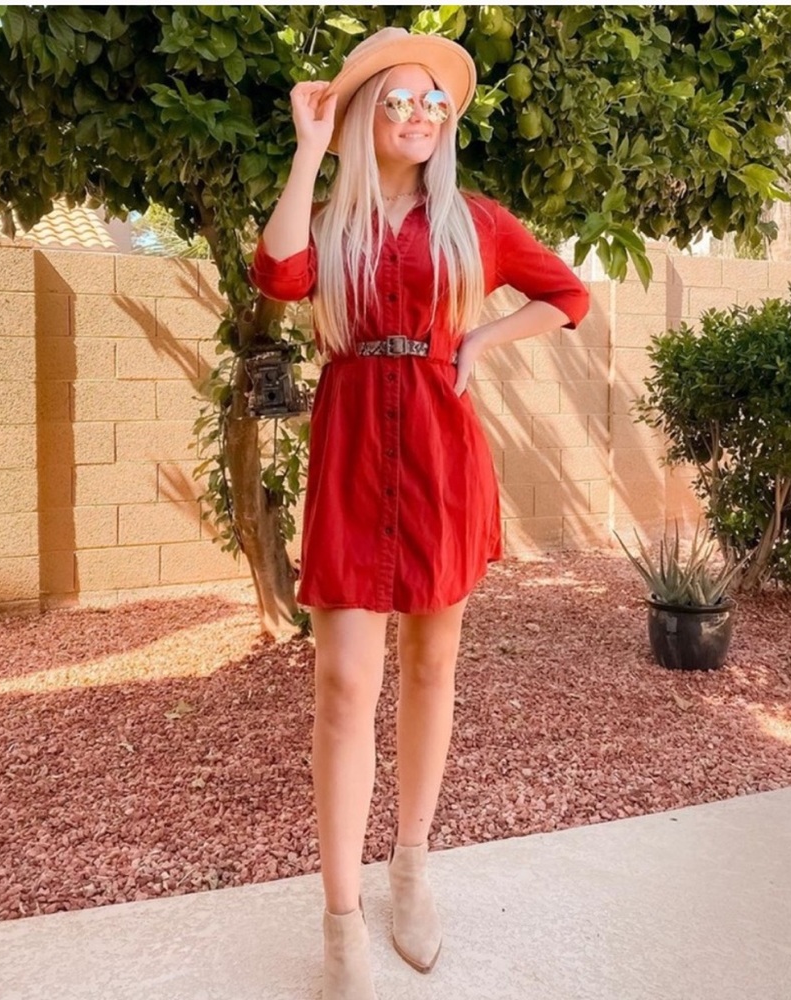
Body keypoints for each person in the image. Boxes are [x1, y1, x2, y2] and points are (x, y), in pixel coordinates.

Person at [250, 26, 590, 1000]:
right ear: (366, 115)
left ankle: (411, 870)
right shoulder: (334, 217)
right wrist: (309, 146)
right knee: (343, 682)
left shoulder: (474, 221)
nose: (420, 115)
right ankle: (341, 918)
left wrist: (481, 339)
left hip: (441, 454)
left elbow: (567, 296)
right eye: (398, 99)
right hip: (355, 450)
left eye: (434, 103)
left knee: (433, 664)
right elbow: (276, 277)